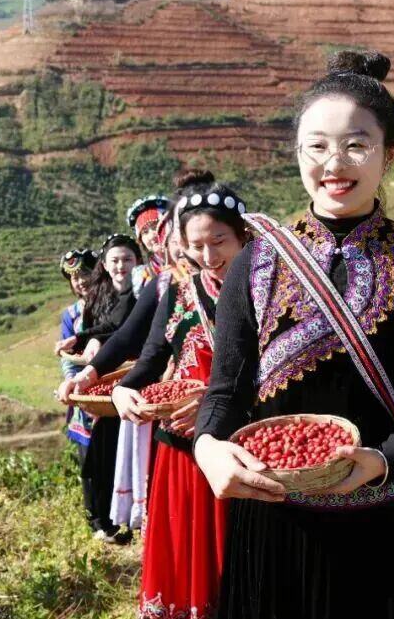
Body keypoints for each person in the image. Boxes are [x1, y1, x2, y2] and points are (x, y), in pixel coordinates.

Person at [193, 50, 394, 618]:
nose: (335, 163)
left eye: (356, 145)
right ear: (298, 153)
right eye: (316, 146)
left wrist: (382, 459)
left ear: (388, 154)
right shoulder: (255, 262)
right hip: (277, 522)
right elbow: (226, 391)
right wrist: (207, 449)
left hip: (390, 524)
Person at [113, 170, 249, 619]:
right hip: (178, 451)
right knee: (184, 562)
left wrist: (213, 402)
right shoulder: (177, 290)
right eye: (196, 245)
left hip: (237, 446)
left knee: (234, 567)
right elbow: (152, 356)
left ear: (242, 236)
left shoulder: (267, 291)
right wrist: (123, 391)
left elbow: (275, 372)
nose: (208, 256)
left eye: (219, 241)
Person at [59, 233, 142, 542]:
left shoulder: (140, 291)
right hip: (91, 389)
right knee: (95, 459)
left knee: (125, 455)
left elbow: (121, 332)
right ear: (105, 266)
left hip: (123, 383)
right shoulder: (83, 308)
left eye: (127, 259)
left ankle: (126, 519)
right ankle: (100, 521)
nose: (80, 282)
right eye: (114, 260)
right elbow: (81, 351)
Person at [56, 248, 98, 464]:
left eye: (85, 274)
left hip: (113, 386)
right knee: (89, 467)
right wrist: (73, 383)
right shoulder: (70, 315)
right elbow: (67, 358)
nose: (81, 281)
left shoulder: (112, 306)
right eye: (74, 278)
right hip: (82, 393)